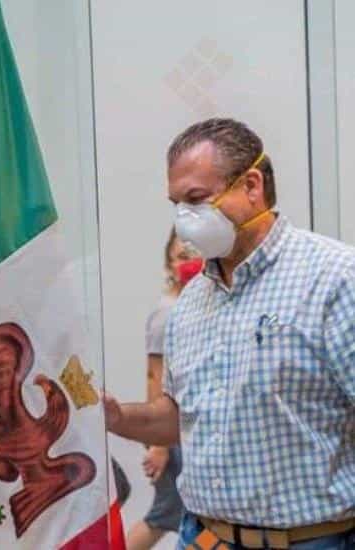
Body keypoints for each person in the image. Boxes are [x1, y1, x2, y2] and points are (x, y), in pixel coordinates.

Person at [105, 118, 355, 549]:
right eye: (176, 204)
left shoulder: (334, 278)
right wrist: (117, 418)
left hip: (309, 540)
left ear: (251, 185)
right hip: (203, 537)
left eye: (196, 199)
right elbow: (180, 417)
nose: (184, 220)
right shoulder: (190, 302)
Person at [126, 231, 202, 550]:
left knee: (187, 519)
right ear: (169, 265)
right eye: (182, 256)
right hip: (173, 436)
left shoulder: (196, 306)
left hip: (190, 431)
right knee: (164, 516)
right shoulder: (167, 313)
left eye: (196, 255)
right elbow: (154, 376)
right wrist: (158, 445)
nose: (191, 263)